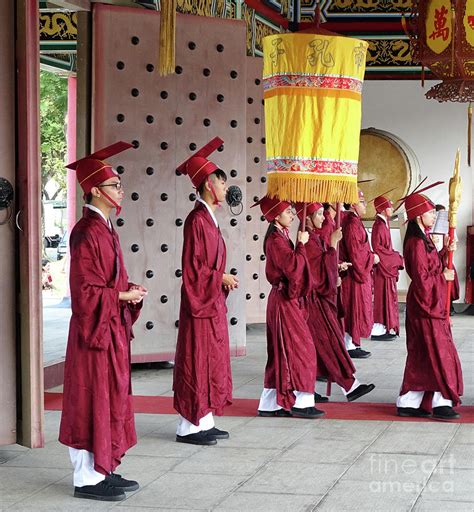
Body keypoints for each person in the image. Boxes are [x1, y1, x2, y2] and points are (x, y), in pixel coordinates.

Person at [59, 142, 148, 501]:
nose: (120, 191)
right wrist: (119, 296)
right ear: (95, 190)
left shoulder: (105, 227)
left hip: (108, 329)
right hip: (91, 332)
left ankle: (102, 468)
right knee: (89, 400)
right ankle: (86, 479)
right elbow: (84, 292)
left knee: (107, 398)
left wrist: (128, 288)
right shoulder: (86, 231)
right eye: (115, 185)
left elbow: (105, 280)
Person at [173, 137, 238, 446]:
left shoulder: (209, 220)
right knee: (196, 359)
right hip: (200, 301)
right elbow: (194, 269)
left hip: (211, 301)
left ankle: (205, 419)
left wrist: (220, 278)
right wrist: (218, 277)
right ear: (209, 185)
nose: (226, 189)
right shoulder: (197, 220)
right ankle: (188, 426)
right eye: (222, 184)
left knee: (210, 360)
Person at [296, 202, 375, 403]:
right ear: (307, 218)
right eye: (320, 214)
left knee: (324, 345)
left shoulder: (312, 237)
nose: (324, 218)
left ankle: (317, 388)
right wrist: (332, 245)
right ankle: (348, 386)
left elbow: (322, 265)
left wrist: (336, 267)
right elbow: (315, 274)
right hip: (312, 301)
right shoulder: (306, 241)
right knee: (328, 342)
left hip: (319, 300)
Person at [396, 188, 463, 420]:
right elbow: (423, 279)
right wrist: (442, 277)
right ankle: (440, 401)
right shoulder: (415, 243)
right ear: (417, 216)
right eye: (431, 212)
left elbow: (432, 267)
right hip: (424, 306)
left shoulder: (424, 238)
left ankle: (410, 402)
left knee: (425, 354)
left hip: (429, 305)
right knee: (437, 352)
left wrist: (446, 252)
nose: (434, 216)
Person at [256, 196, 323, 419]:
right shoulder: (275, 240)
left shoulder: (280, 236)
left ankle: (269, 404)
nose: (293, 215)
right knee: (302, 348)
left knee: (279, 352)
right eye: (288, 212)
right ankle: (303, 402)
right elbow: (294, 269)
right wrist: (302, 244)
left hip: (284, 300)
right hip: (283, 301)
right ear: (276, 216)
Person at [340, 190, 380, 358]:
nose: (365, 205)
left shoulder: (355, 221)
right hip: (354, 275)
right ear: (354, 204)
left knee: (357, 309)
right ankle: (348, 344)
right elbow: (357, 253)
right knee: (353, 310)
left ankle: (352, 343)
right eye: (362, 201)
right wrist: (372, 257)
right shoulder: (351, 223)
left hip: (358, 272)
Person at [370, 195, 404, 341]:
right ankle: (378, 330)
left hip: (386, 266)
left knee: (387, 298)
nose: (391, 208)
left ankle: (385, 327)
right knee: (381, 299)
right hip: (382, 269)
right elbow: (378, 249)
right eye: (389, 206)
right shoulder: (378, 225)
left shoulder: (384, 223)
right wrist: (395, 258)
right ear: (383, 209)